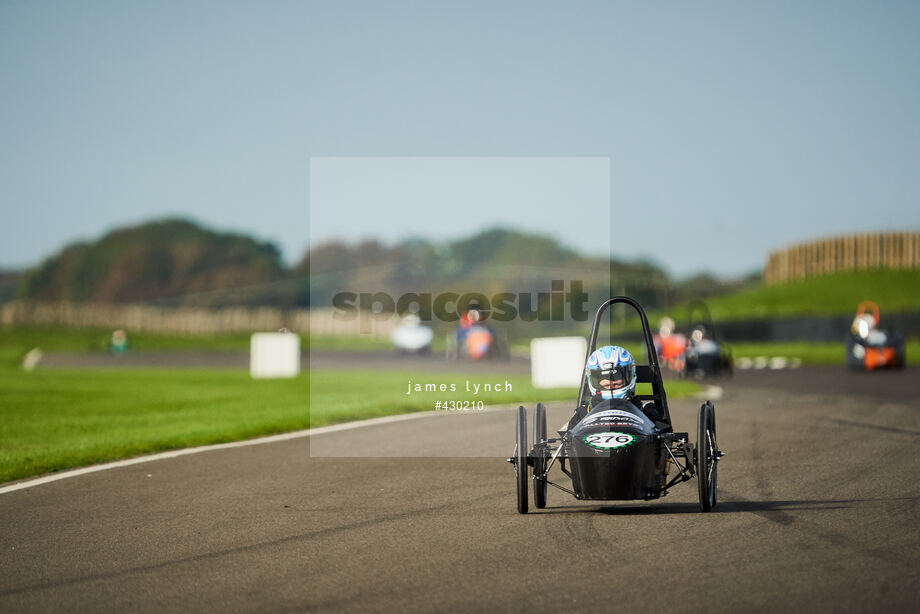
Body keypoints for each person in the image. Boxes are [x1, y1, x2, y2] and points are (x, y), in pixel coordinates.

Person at [567, 345, 663, 429]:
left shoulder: (647, 410)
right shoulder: (583, 413)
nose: (611, 383)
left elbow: (662, 433)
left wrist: (638, 411)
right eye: (606, 384)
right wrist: (594, 410)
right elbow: (570, 438)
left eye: (616, 380)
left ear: (631, 375)